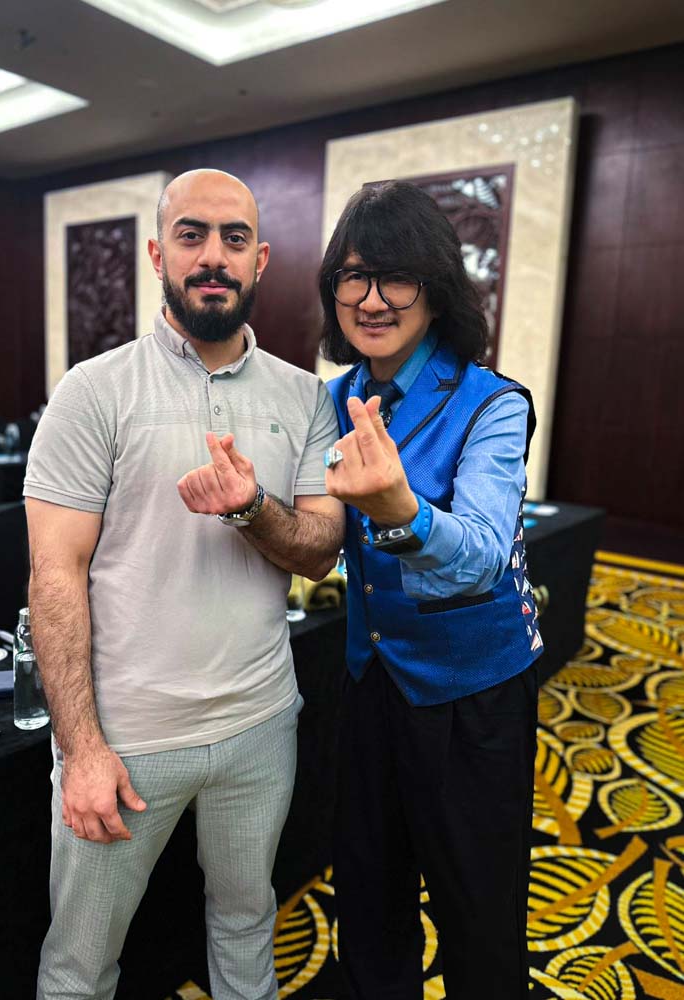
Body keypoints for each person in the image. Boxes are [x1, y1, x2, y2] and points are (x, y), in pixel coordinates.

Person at [24, 168, 345, 1000]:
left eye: (234, 239)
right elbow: (54, 576)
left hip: (260, 724)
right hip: (127, 739)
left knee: (247, 923)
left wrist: (252, 508)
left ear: (260, 260)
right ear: (158, 254)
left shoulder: (306, 397)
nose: (213, 257)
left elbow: (319, 552)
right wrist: (81, 750)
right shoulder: (93, 391)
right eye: (192, 236)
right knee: (80, 963)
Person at [320, 180, 542, 1000]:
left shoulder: (492, 402)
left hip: (472, 695)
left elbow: (482, 555)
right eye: (354, 275)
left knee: (478, 912)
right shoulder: (333, 399)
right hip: (370, 682)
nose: (372, 299)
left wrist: (401, 512)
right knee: (369, 902)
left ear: (437, 287)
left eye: (397, 277)